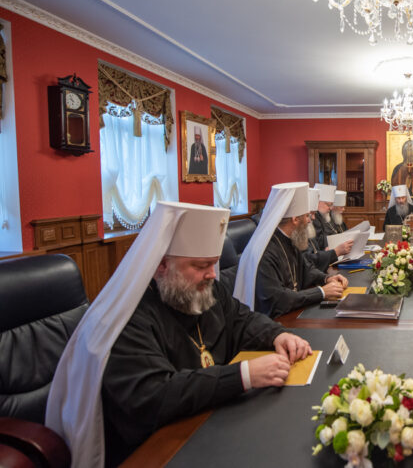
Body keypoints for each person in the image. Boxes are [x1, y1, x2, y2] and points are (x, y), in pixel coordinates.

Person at [45, 201, 313, 467]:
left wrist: (277, 335)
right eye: (200, 266)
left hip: (208, 420)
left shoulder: (202, 289)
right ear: (162, 265)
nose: (212, 275)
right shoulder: (122, 318)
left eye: (214, 264)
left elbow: (241, 318)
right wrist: (243, 375)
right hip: (156, 448)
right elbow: (153, 395)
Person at [234, 182, 349, 318]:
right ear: (295, 219)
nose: (310, 221)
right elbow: (277, 299)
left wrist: (327, 278)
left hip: (293, 312)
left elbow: (307, 270)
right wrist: (321, 292)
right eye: (306, 216)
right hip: (274, 320)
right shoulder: (264, 251)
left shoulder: (289, 240)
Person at [304, 187, 339, 272]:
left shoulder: (320, 219)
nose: (313, 218)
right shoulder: (299, 234)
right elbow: (308, 262)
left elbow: (317, 251)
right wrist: (333, 253)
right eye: (309, 214)